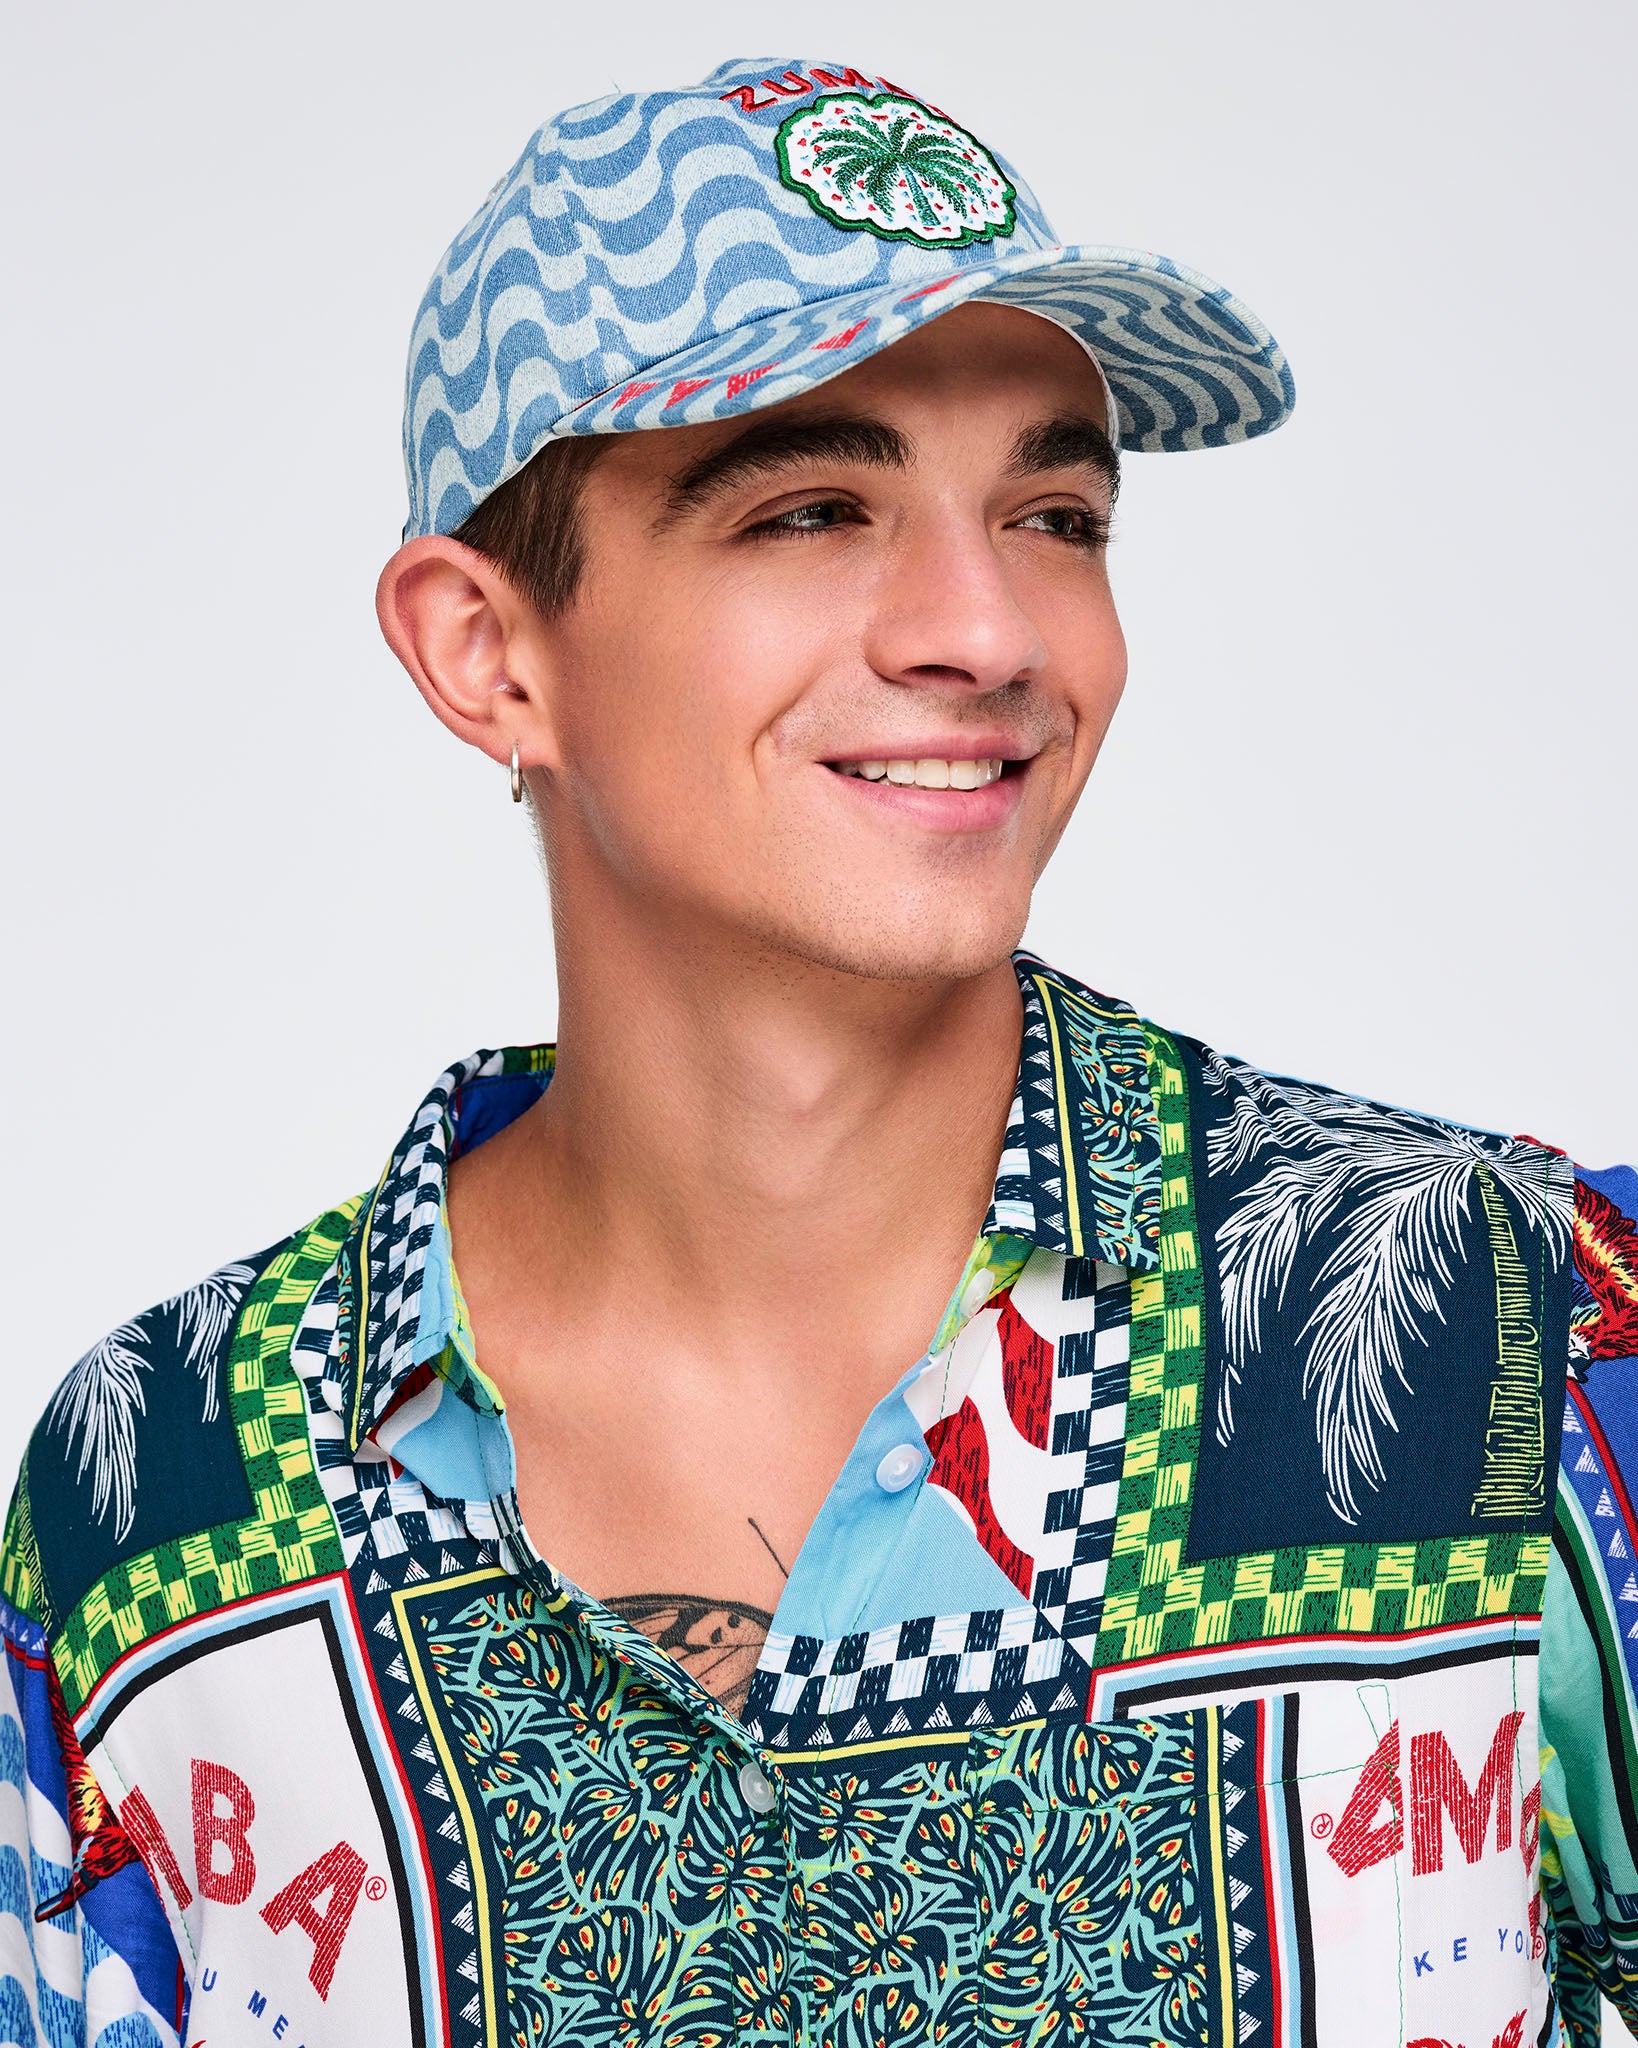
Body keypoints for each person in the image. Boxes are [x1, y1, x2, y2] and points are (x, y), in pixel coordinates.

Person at [2, 52, 1633, 2048]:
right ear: (487, 652)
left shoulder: (1514, 1330)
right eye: (810, 508)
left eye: (1053, 513)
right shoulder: (164, 1500)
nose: (989, 630)